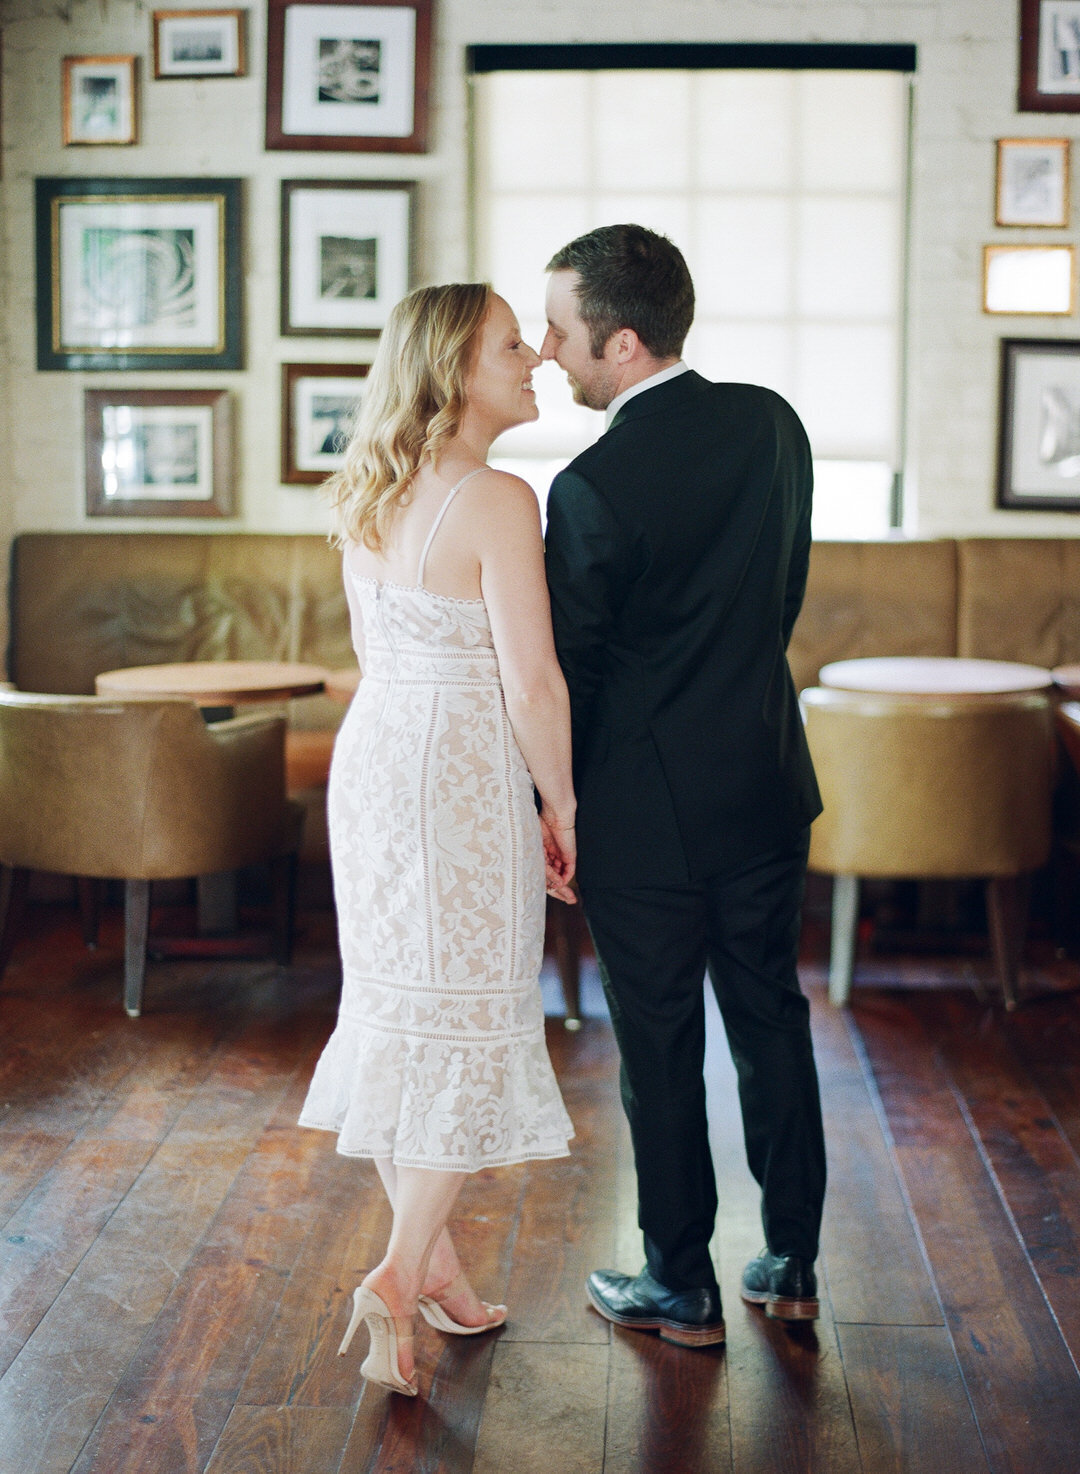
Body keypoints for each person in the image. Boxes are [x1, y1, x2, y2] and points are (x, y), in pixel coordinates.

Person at [541, 224, 826, 1347]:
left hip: (642, 818)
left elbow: (578, 673)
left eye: (561, 333)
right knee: (771, 1018)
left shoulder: (592, 485)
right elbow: (784, 592)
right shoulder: (774, 426)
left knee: (659, 1045)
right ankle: (794, 1261)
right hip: (762, 780)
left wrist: (555, 809)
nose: (552, 354)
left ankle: (681, 1283)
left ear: (618, 341)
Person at [298, 283, 577, 1396]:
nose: (536, 360)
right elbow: (532, 679)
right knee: (467, 1014)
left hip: (372, 761)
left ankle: (442, 1270)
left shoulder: (371, 483)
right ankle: (400, 1272)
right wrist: (560, 802)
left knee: (401, 1008)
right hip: (458, 771)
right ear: (456, 368)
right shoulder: (500, 497)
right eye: (512, 344)